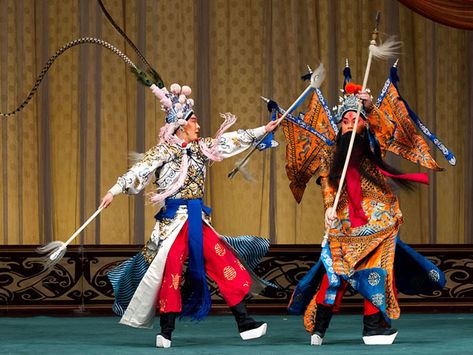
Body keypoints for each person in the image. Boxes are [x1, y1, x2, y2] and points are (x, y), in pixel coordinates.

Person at [101, 82, 278, 348]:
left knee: (224, 262)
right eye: (194, 121)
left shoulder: (202, 149)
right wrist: (113, 191)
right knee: (171, 272)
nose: (198, 125)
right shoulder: (164, 151)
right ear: (182, 125)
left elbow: (230, 141)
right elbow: (139, 170)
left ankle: (245, 323)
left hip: (197, 221)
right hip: (173, 224)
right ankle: (166, 331)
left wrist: (262, 130)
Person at [282, 69, 447, 346]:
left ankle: (371, 328)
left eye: (354, 119)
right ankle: (319, 329)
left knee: (378, 269)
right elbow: (328, 186)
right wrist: (327, 208)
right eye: (345, 120)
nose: (349, 123)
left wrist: (370, 107)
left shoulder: (371, 142)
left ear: (363, 123)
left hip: (379, 217)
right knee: (336, 272)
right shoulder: (330, 152)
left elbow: (385, 129)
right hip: (346, 221)